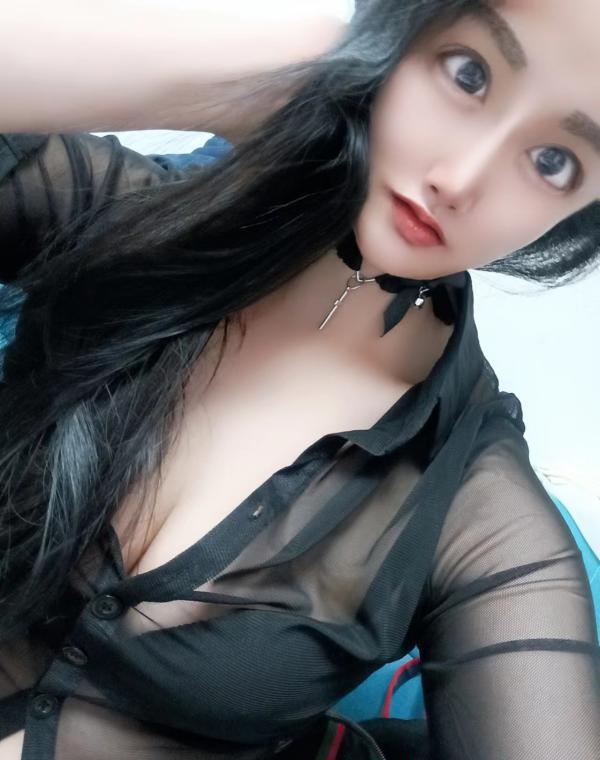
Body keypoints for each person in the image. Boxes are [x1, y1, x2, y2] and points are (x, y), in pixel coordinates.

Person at [0, 1, 599, 758]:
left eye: (553, 162)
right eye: (468, 74)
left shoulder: (477, 513)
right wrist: (279, 71)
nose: (459, 178)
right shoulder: (128, 220)